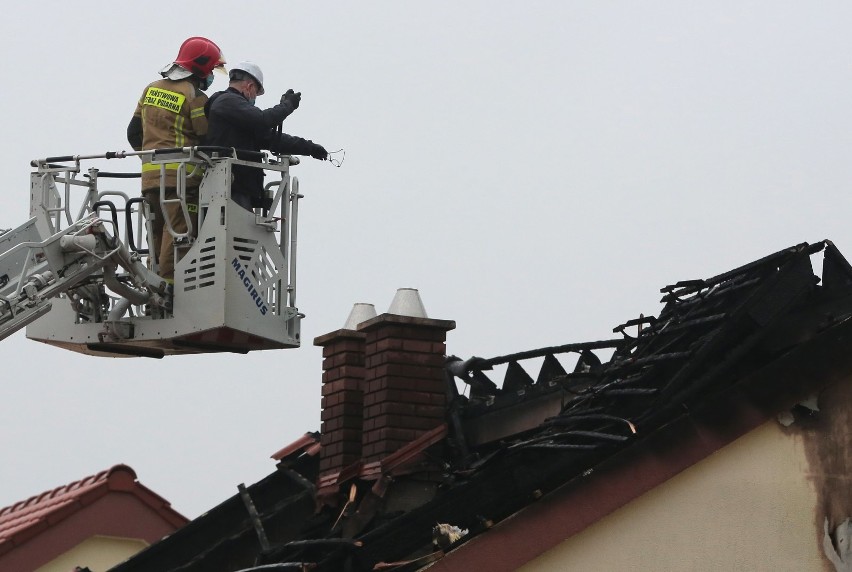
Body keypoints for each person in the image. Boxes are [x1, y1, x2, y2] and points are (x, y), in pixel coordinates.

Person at [127, 37, 225, 282]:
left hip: (150, 180)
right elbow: (205, 137)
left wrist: (152, 159)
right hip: (183, 182)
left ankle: (152, 285)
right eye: (212, 69)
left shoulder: (151, 89)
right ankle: (171, 294)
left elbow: (133, 132)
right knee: (178, 237)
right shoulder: (195, 96)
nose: (212, 75)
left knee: (156, 238)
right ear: (201, 66)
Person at [204, 61, 328, 210]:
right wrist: (288, 105)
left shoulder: (239, 115)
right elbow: (263, 120)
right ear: (249, 87)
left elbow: (271, 139)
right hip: (230, 187)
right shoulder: (227, 102)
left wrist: (310, 147)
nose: (255, 98)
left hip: (239, 187)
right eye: (256, 92)